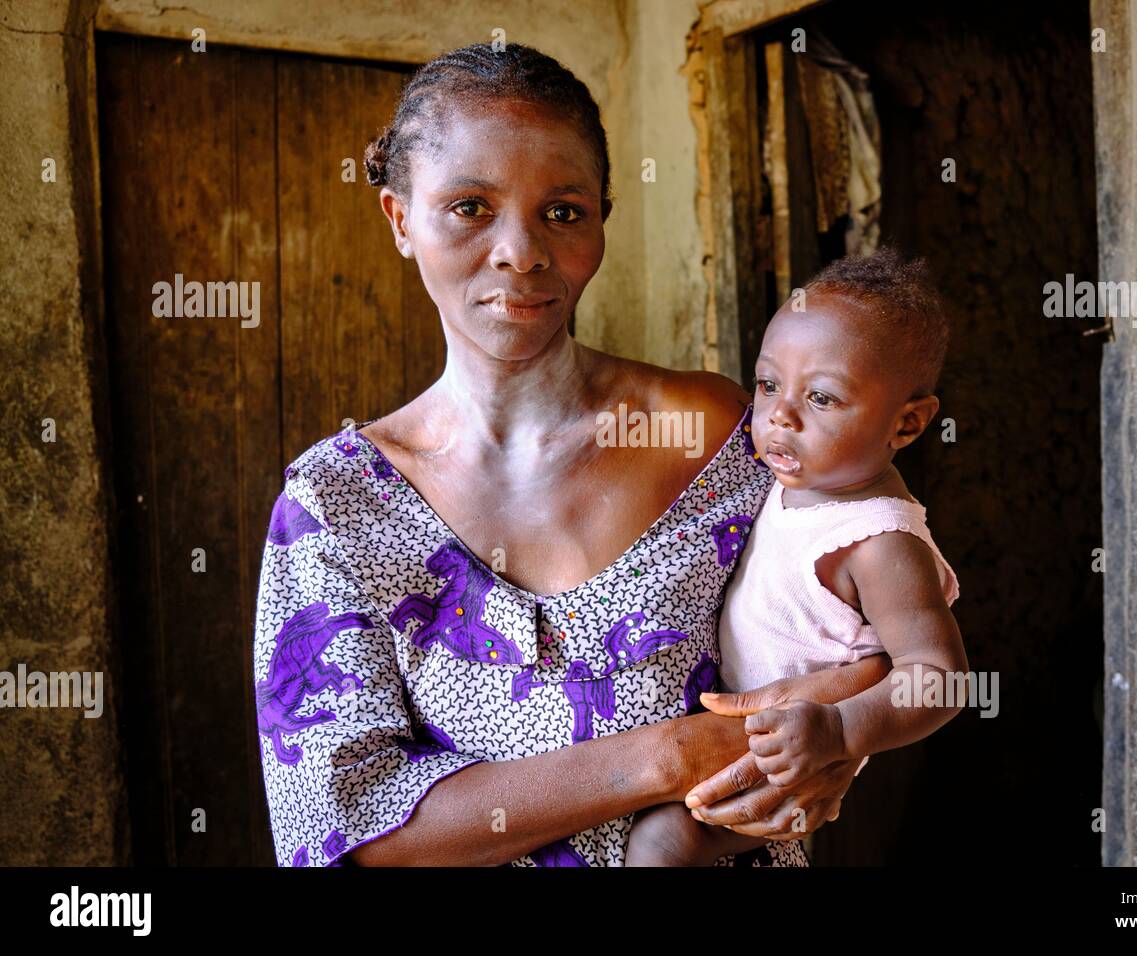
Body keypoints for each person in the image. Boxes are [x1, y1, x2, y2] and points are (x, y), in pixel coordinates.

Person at [252, 41, 889, 867]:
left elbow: (882, 636)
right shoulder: (336, 508)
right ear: (400, 219)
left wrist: (835, 745)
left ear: (599, 220)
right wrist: (666, 756)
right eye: (470, 206)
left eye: (563, 211)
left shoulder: (714, 433)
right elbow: (343, 828)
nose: (521, 252)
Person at [625, 248, 968, 865]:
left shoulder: (879, 541)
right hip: (722, 725)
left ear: (908, 424)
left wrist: (839, 731)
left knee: (662, 842)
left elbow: (938, 679)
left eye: (823, 399)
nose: (779, 415)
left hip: (775, 761)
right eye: (767, 384)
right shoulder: (795, 478)